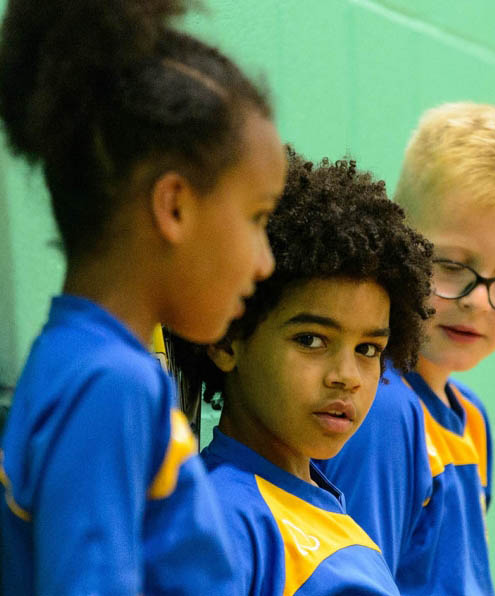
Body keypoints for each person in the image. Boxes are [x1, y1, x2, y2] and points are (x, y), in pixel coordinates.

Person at [0, 0, 286, 592]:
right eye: (256, 218)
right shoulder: (110, 383)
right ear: (174, 206)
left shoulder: (96, 367)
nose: (265, 261)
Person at [319, 102, 495, 595]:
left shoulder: (469, 419)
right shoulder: (378, 409)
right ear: (397, 242)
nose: (479, 301)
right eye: (452, 265)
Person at [164, 148, 433, 595]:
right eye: (311, 340)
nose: (346, 375)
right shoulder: (225, 521)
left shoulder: (326, 510)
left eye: (368, 348)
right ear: (229, 340)